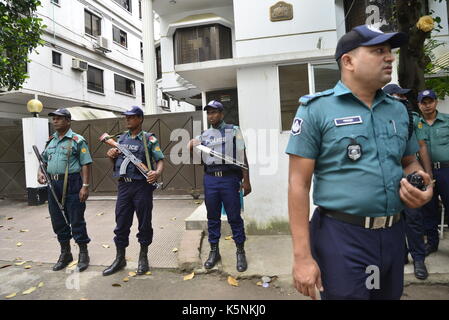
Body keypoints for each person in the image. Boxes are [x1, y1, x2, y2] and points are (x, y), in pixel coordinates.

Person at [286, 25, 433, 300]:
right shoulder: (316, 109)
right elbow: (298, 184)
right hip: (342, 237)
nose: (389, 57)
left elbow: (409, 161)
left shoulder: (398, 110)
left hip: (392, 235)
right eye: (378, 51)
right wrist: (302, 257)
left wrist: (421, 183)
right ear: (348, 61)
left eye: (390, 52)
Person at [188, 100, 252, 272]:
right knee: (213, 217)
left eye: (215, 112)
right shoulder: (203, 135)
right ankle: (214, 251)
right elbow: (197, 161)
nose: (211, 116)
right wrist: (191, 148)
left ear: (221, 114)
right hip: (211, 180)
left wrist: (246, 180)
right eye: (208, 113)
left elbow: (242, 156)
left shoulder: (234, 130)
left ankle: (240, 251)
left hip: (229, 179)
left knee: (234, 217)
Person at [103, 106, 165, 276]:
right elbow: (114, 165)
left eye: (131, 117)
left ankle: (143, 257)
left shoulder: (149, 139)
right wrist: (111, 155)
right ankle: (120, 258)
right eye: (126, 117)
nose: (127, 119)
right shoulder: (120, 139)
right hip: (124, 186)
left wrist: (156, 173)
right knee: (121, 222)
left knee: (144, 222)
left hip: (141, 187)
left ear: (140, 119)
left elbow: (160, 160)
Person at [383, 83, 433, 280]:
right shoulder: (373, 121)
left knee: (413, 219)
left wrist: (425, 178)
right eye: (398, 96)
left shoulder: (408, 121)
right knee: (393, 222)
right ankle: (401, 255)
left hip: (407, 179)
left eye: (404, 97)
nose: (403, 100)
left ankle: (418, 258)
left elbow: (413, 155)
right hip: (386, 183)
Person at [38, 108, 92, 272]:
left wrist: (85, 186)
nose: (55, 121)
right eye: (53, 118)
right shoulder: (50, 141)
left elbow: (86, 163)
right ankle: (65, 253)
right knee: (58, 220)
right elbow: (43, 161)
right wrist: (40, 172)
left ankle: (83, 253)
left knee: (76, 219)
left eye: (59, 118)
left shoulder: (77, 140)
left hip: (73, 183)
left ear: (68, 121)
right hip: (53, 184)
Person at [414, 89, 449, 257]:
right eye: (423, 103)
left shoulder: (447, 121)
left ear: (435, 102)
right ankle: (432, 243)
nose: (427, 106)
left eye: (430, 102)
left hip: (446, 170)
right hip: (424, 172)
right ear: (419, 105)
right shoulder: (415, 123)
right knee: (428, 208)